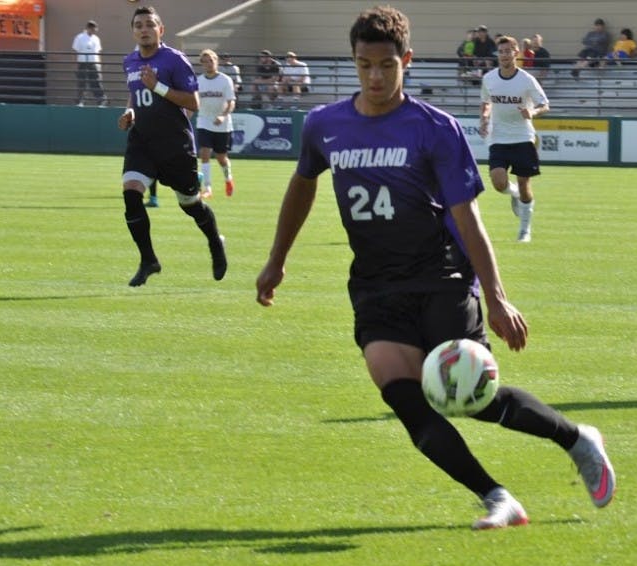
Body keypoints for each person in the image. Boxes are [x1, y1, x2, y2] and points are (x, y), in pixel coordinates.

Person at [255, 6, 615, 530]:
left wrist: (495, 296)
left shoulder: (434, 129)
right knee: (408, 403)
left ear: (407, 61)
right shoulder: (323, 125)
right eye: (363, 65)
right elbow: (303, 185)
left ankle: (576, 439)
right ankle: (496, 497)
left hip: (441, 278)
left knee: (473, 399)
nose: (375, 77)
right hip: (375, 288)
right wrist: (276, 261)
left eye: (386, 65)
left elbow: (466, 219)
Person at [117, 5, 227, 287]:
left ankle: (215, 242)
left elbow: (193, 103)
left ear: (160, 30)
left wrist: (159, 88)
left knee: (191, 205)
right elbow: (135, 96)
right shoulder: (129, 61)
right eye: (138, 25)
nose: (144, 29)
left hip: (175, 144)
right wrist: (130, 112)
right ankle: (148, 260)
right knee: (131, 194)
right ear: (133, 31)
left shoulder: (174, 60)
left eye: (149, 25)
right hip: (142, 141)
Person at [479, 35, 550, 242]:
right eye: (500, 52)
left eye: (507, 51)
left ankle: (525, 230)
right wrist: (484, 118)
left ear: (515, 53)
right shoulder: (489, 78)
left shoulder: (526, 80)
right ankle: (515, 194)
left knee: (525, 186)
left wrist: (533, 113)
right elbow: (486, 102)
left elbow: (544, 104)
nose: (503, 55)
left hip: (522, 137)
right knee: (498, 182)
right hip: (499, 137)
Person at [196, 49, 236, 199]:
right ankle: (207, 188)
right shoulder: (198, 81)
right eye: (204, 62)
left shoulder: (225, 80)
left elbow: (231, 102)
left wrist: (223, 116)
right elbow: (195, 101)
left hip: (222, 124)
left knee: (221, 158)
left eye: (211, 61)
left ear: (216, 61)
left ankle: (228, 179)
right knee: (204, 154)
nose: (208, 64)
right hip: (204, 121)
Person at [72, 20, 107, 107]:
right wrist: (74, 64)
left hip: (94, 63)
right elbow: (75, 51)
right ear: (88, 28)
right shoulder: (79, 37)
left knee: (96, 83)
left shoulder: (96, 38)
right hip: (82, 63)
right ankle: (80, 101)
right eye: (93, 29)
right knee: (82, 83)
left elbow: (98, 52)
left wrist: (99, 65)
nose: (94, 31)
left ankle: (101, 101)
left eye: (95, 29)